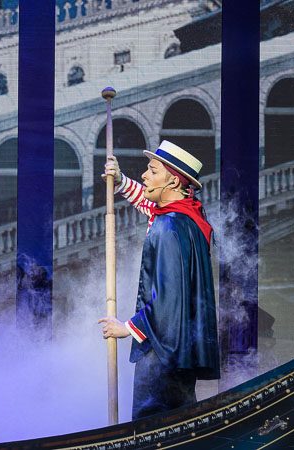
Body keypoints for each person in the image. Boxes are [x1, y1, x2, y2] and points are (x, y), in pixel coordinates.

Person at [98, 140, 220, 421]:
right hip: (180, 349)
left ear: (173, 181)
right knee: (180, 420)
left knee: (153, 422)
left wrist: (127, 328)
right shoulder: (186, 217)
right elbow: (150, 205)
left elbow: (168, 296)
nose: (144, 176)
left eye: (152, 171)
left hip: (162, 350)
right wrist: (120, 180)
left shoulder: (168, 227)